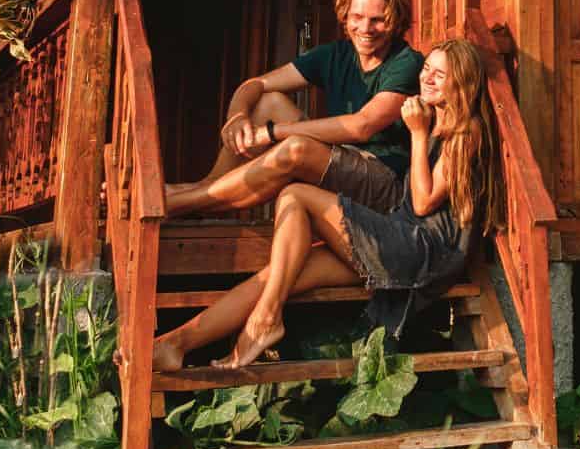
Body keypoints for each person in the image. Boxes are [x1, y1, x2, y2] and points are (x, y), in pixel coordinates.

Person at [150, 38, 503, 371]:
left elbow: (425, 203)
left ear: (463, 84)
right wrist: (420, 131)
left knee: (294, 195)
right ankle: (175, 344)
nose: (426, 78)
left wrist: (417, 133)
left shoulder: (465, 133)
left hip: (424, 252)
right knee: (279, 274)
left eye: (440, 74)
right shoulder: (433, 121)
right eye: (426, 68)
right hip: (401, 239)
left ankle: (267, 317)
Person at [164, 0, 423, 217]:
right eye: (357, 16)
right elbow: (255, 85)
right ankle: (208, 187)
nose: (365, 28)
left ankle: (176, 203)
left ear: (395, 21)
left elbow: (361, 126)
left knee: (297, 147)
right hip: (340, 159)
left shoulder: (405, 62)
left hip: (384, 180)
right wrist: (237, 117)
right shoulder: (336, 54)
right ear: (345, 15)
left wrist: (273, 132)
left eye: (378, 20)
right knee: (268, 102)